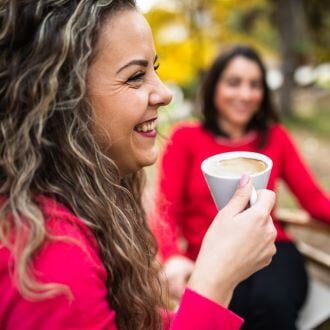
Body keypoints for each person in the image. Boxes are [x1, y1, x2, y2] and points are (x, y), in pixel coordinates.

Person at [0, 2, 278, 330]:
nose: (163, 92)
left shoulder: (80, 207)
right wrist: (213, 282)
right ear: (59, 97)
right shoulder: (48, 265)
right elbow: (169, 209)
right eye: (135, 76)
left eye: (154, 70)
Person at [154, 45, 330, 330]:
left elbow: (313, 199)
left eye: (254, 85)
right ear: (214, 87)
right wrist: (172, 255)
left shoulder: (275, 138)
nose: (245, 94)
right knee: (234, 310)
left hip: (272, 249)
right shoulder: (184, 139)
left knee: (271, 303)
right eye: (234, 83)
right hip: (211, 259)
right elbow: (165, 210)